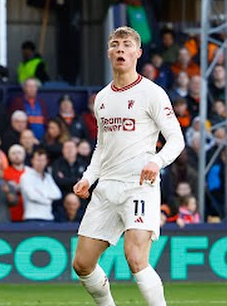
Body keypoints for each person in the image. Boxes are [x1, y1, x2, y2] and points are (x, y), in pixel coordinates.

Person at [71, 26, 184, 306]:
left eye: (126, 45)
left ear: (138, 53)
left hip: (139, 187)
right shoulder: (102, 99)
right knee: (82, 264)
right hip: (106, 187)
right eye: (115, 44)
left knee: (135, 258)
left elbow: (176, 139)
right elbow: (102, 147)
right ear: (109, 52)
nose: (120, 49)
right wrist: (88, 177)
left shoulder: (152, 93)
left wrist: (156, 161)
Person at [19, 148, 62, 221]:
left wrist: (42, 193)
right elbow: (32, 196)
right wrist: (48, 200)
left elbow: (58, 194)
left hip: (48, 217)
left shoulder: (48, 176)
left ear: (46, 162)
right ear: (32, 161)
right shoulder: (25, 176)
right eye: (38, 160)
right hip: (31, 218)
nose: (40, 163)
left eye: (42, 160)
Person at [4, 144, 28, 222]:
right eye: (13, 153)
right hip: (11, 213)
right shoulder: (5, 173)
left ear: (24, 155)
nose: (17, 155)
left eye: (19, 152)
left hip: (28, 212)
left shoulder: (30, 172)